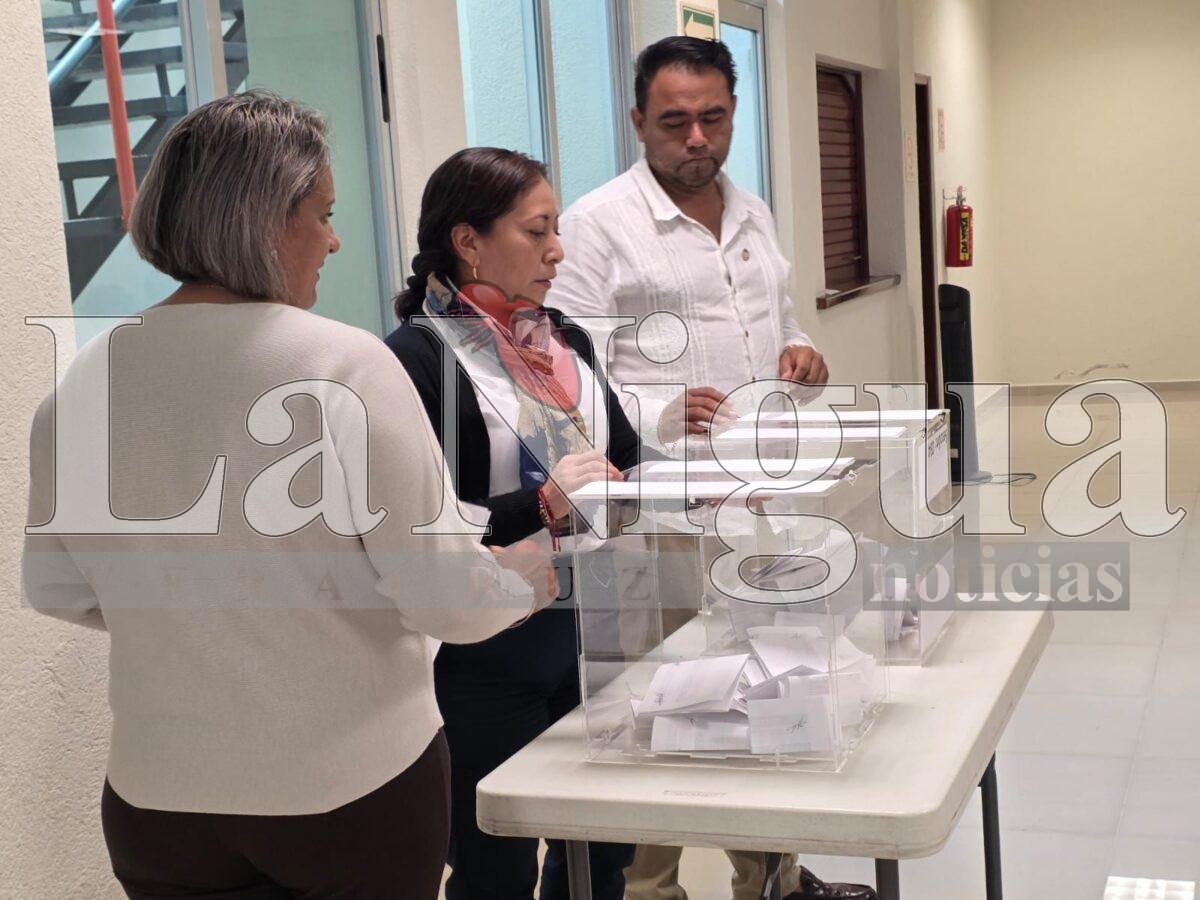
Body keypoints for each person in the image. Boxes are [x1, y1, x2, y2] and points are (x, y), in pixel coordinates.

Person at [22, 92, 554, 900]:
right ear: (264, 221)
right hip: (347, 793)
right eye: (323, 215)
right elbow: (446, 598)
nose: (334, 240)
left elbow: (56, 588)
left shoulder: (82, 385)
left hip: (160, 804)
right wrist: (524, 580)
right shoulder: (344, 367)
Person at [547, 37, 875, 900]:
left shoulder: (752, 210)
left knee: (770, 683)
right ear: (637, 122)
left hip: (764, 500)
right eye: (674, 121)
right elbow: (563, 371)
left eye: (712, 117)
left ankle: (774, 878)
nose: (696, 137)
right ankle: (651, 889)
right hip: (663, 515)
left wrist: (802, 353)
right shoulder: (597, 225)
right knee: (664, 701)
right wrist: (659, 408)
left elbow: (782, 321)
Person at [385, 147, 645, 900]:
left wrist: (705, 485)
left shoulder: (564, 340)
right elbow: (429, 523)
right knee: (495, 869)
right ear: (468, 241)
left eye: (556, 229)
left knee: (603, 853)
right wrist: (541, 505)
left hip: (592, 627)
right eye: (537, 231)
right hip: (487, 651)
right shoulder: (416, 358)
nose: (557, 250)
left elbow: (623, 458)